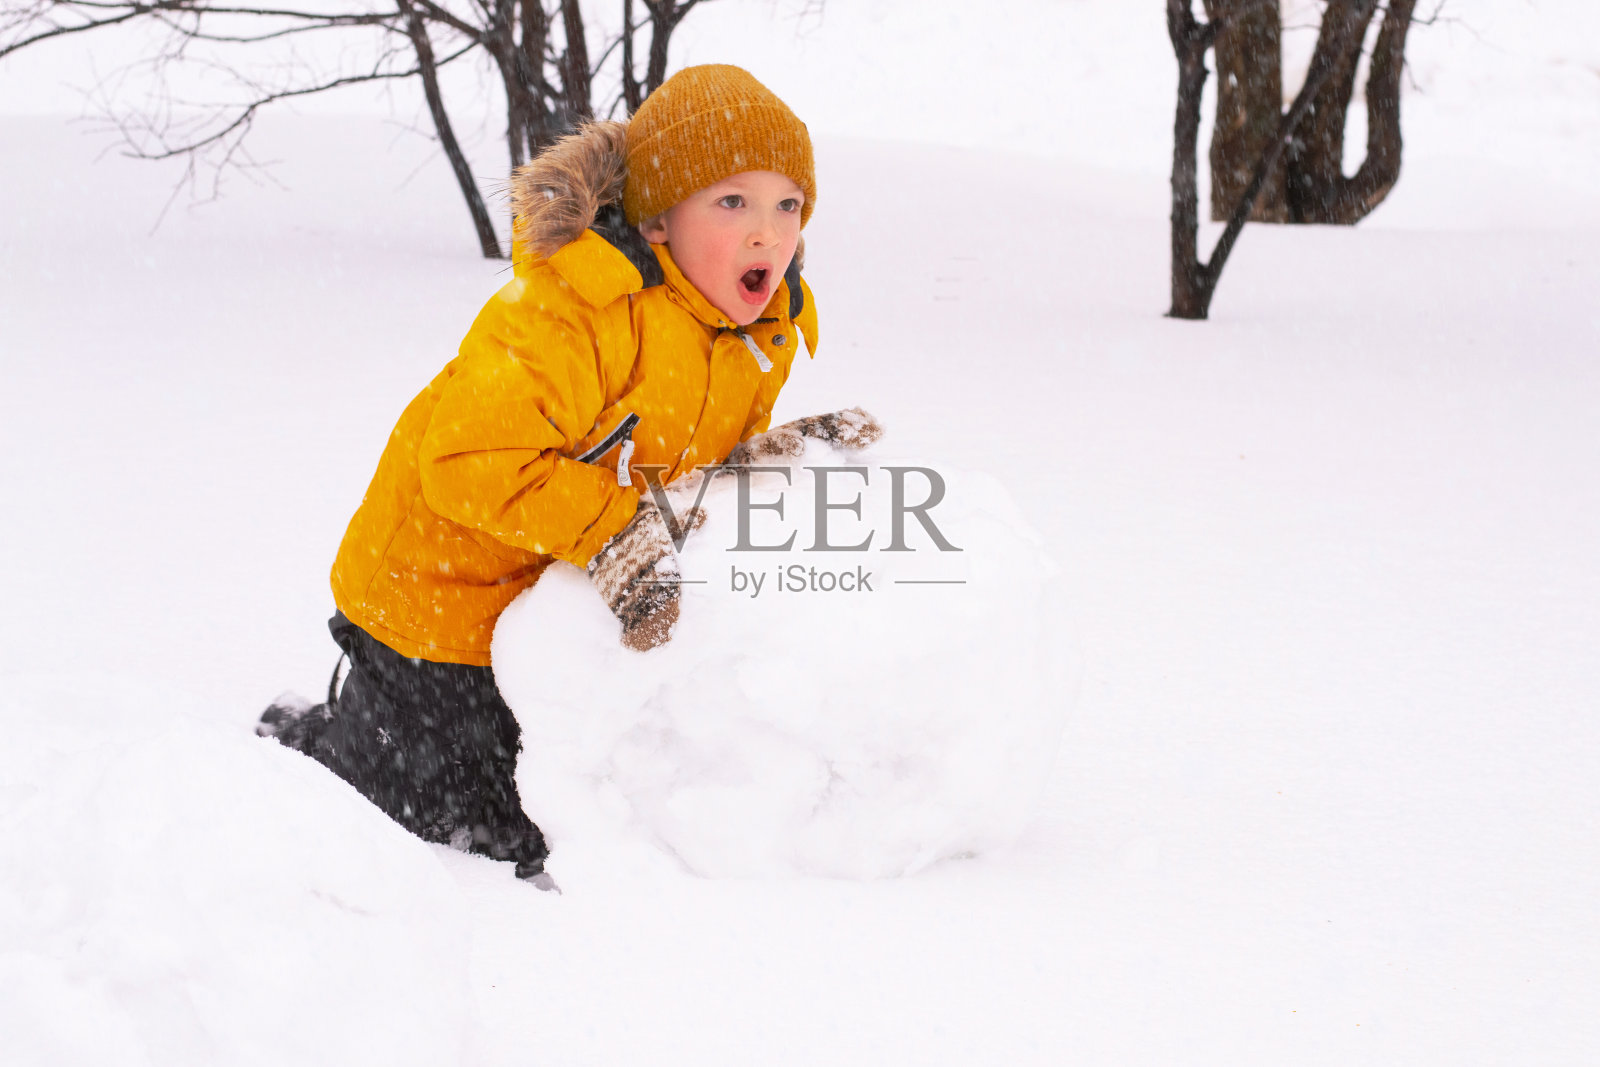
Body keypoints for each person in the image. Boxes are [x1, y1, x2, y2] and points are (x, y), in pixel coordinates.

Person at [257, 64, 881, 887]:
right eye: (733, 202)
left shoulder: (762, 330)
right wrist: (614, 528)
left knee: (555, 801)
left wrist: (754, 471)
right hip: (438, 599)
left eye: (788, 205)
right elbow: (467, 461)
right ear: (659, 219)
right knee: (454, 822)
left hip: (547, 608)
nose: (769, 233)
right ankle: (321, 742)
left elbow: (667, 456)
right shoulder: (577, 308)